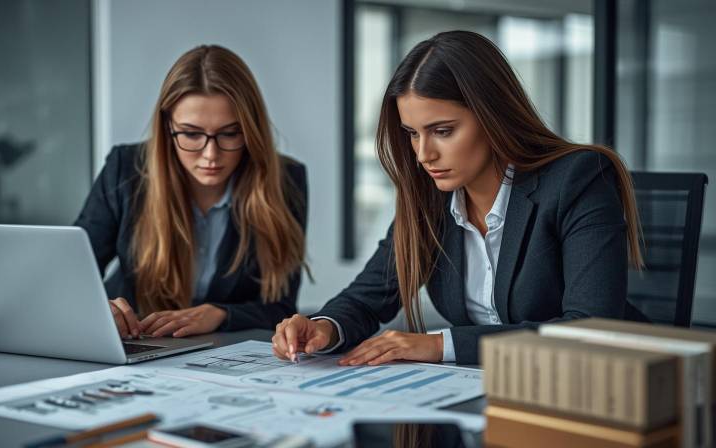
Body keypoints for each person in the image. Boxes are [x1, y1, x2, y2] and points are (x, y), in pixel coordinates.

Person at [272, 30, 644, 365]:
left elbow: (588, 330)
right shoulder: (430, 198)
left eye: (443, 131)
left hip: (604, 386)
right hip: (487, 390)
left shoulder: (577, 179)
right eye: (412, 134)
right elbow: (368, 296)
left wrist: (440, 345)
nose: (423, 154)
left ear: (493, 116)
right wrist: (323, 327)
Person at [75, 45, 308, 339]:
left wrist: (221, 313)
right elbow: (72, 277)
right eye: (191, 134)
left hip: (221, 352)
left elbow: (281, 307)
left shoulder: (285, 180)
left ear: (251, 130)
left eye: (230, 133)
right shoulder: (125, 169)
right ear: (167, 127)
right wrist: (99, 308)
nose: (210, 154)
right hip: (132, 342)